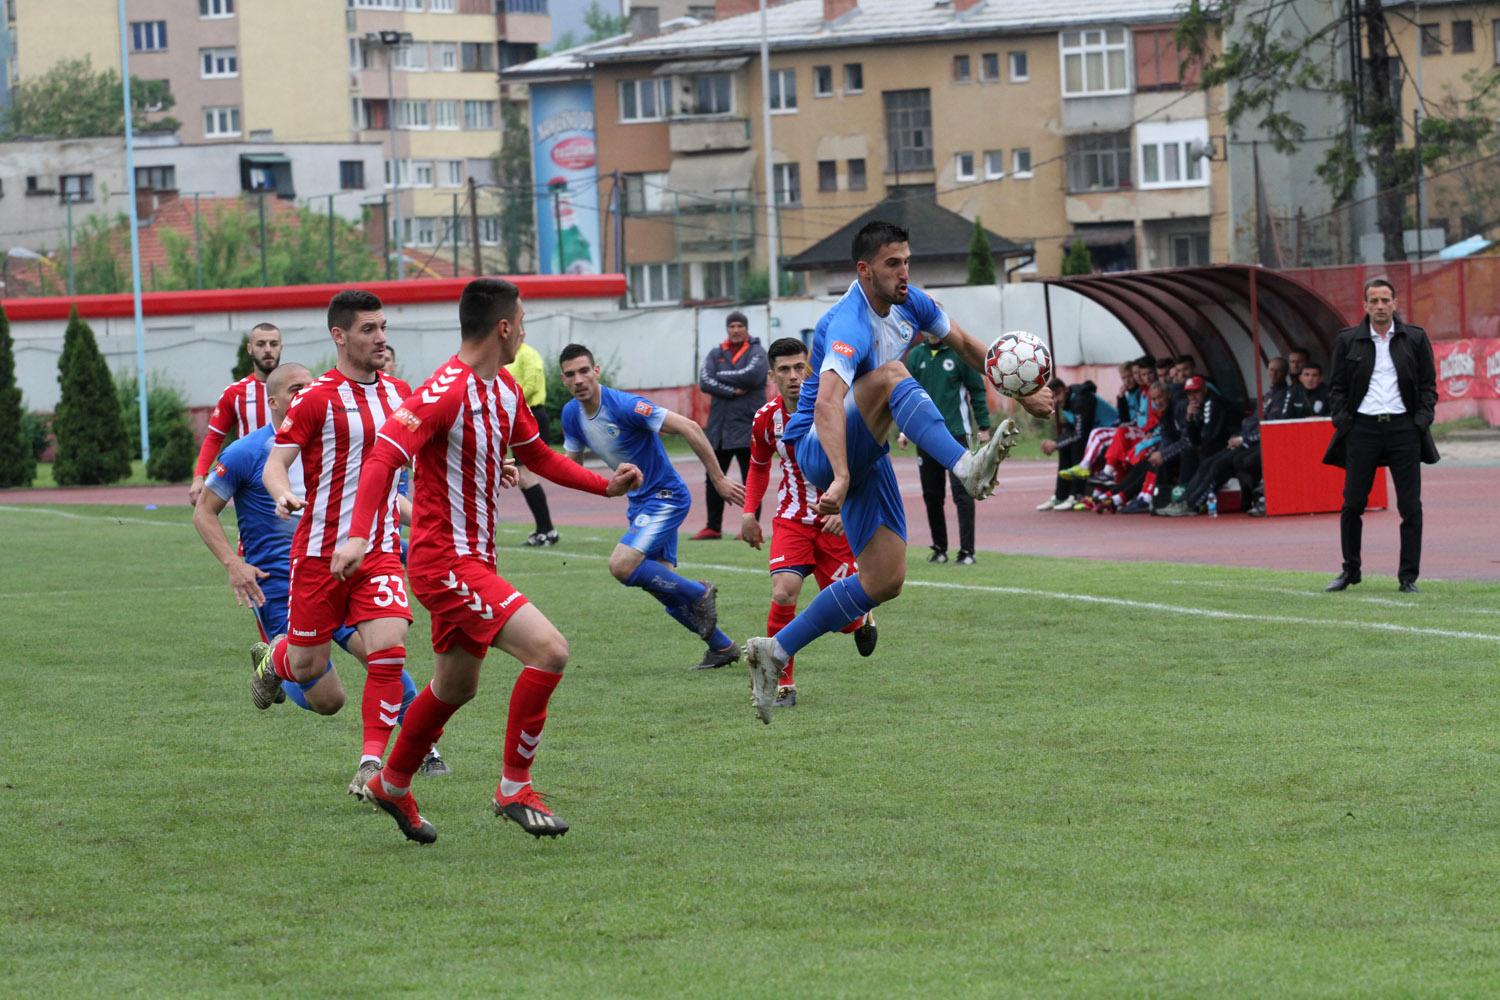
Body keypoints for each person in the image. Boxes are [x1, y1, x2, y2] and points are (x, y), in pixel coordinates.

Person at [335, 278, 642, 844]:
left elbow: (537, 455)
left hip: (474, 560)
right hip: (445, 561)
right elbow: (383, 456)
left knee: (455, 687)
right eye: (522, 321)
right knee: (550, 651)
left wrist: (604, 487)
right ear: (503, 328)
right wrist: (358, 536)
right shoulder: (443, 391)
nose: (525, 330)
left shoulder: (502, 388)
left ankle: (392, 783)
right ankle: (513, 787)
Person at [741, 220, 1051, 724]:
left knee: (884, 580)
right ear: (864, 270)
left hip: (868, 450)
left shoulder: (914, 303)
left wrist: (1019, 390)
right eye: (892, 264)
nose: (904, 272)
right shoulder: (845, 323)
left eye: (907, 261)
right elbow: (826, 405)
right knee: (891, 375)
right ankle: (966, 467)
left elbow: (970, 346)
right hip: (819, 448)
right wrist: (838, 477)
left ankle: (773, 652)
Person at [192, 362, 447, 773]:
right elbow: (204, 512)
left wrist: (428, 524)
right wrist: (233, 564)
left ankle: (421, 748)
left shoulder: (340, 443)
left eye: (310, 387)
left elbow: (378, 499)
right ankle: (274, 660)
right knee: (329, 701)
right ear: (272, 401)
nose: (306, 394)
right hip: (280, 583)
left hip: (343, 567)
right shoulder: (246, 452)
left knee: (381, 651)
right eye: (295, 389)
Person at [259, 290, 418, 799]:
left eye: (383, 327)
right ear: (340, 335)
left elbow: (428, 451)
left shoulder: (400, 394)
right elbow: (275, 465)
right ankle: (274, 659)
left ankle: (372, 764)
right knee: (308, 668)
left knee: (389, 651)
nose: (380, 337)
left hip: (379, 549)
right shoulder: (315, 398)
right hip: (319, 554)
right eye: (369, 329)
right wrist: (283, 495)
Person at [559, 343, 748, 669]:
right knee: (664, 588)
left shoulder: (625, 406)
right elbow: (570, 467)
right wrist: (524, 464)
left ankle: (698, 592)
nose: (578, 379)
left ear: (597, 371)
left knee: (622, 566)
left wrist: (718, 480)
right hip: (639, 504)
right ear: (563, 380)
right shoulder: (571, 415)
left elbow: (689, 427)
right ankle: (722, 647)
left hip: (666, 497)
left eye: (584, 371)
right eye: (570, 374)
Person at [741, 337, 878, 709]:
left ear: (811, 370)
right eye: (784, 370)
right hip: (792, 520)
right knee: (784, 591)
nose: (793, 376)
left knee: (843, 620)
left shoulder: (837, 411)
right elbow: (758, 466)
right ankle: (782, 683)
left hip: (835, 521)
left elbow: (865, 463)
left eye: (800, 368)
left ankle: (861, 616)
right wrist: (748, 512)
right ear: (772, 376)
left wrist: (845, 505)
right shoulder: (766, 418)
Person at [1323, 278, 1439, 594]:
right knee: (1352, 505)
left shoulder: (1414, 338)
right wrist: (1343, 420)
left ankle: (1407, 577)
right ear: (1364, 305)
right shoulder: (1348, 340)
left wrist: (1421, 420)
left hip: (1404, 429)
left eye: (1385, 300)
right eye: (1373, 301)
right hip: (1363, 429)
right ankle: (1350, 571)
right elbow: (1337, 387)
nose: (1380, 306)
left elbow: (1429, 385)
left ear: (1395, 303)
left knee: (1410, 506)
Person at [897, 329, 991, 564]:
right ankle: (939, 548)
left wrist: (984, 426)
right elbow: (906, 395)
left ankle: (967, 551)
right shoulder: (916, 355)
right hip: (925, 435)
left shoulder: (959, 354)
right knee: (932, 494)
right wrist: (904, 429)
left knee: (963, 493)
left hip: (957, 434)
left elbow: (977, 389)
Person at [695, 311, 769, 539]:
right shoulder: (716, 352)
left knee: (752, 478)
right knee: (714, 478)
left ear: (746, 329)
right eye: (732, 326)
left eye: (739, 326)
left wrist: (721, 377)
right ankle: (713, 527)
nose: (735, 330)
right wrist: (732, 390)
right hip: (719, 429)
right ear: (727, 329)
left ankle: (751, 524)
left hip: (748, 427)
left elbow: (753, 376)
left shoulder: (757, 352)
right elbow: (705, 381)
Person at [190, 322, 282, 505]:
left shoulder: (300, 390)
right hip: (250, 481)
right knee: (252, 533)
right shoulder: (235, 393)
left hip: (291, 477)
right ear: (249, 348)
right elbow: (215, 437)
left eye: (273, 344)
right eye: (261, 344)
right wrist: (199, 476)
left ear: (281, 347)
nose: (268, 349)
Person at [505, 339, 560, 547]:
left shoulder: (528, 354)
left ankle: (547, 530)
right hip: (520, 417)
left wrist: (509, 401)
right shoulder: (511, 356)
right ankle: (544, 528)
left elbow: (531, 384)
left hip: (532, 416)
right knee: (523, 475)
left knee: (526, 474)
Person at [1039, 378, 1117, 510]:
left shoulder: (1081, 400)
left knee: (1077, 444)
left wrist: (1055, 444)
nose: (1056, 401)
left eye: (1058, 394)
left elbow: (1081, 433)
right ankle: (1060, 496)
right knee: (1065, 445)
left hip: (1113, 431)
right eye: (1053, 398)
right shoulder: (1067, 403)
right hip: (1095, 435)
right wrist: (1055, 442)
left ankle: (1076, 495)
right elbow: (1071, 430)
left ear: (1065, 389)